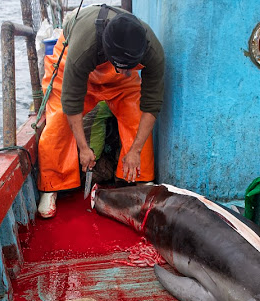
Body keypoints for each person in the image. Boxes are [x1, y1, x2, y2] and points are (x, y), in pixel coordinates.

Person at [37, 4, 165, 218]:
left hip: (118, 81)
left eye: (130, 67)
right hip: (76, 65)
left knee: (135, 114)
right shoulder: (83, 48)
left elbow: (151, 105)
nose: (125, 71)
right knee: (59, 119)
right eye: (121, 66)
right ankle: (51, 185)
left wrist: (135, 149)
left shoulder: (152, 52)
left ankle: (140, 179)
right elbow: (71, 101)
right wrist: (84, 148)